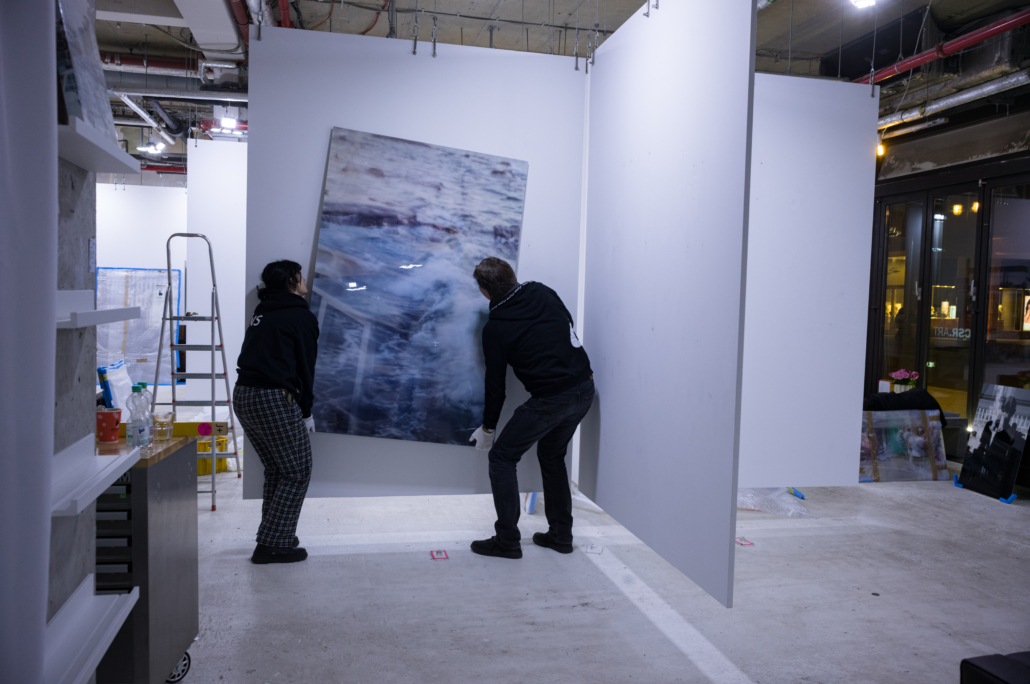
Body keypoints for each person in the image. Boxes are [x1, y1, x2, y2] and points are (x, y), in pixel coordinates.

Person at [468, 257, 594, 560]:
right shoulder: (541, 290)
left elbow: (496, 386)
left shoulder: (495, 328)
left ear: (485, 291)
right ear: (512, 276)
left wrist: (488, 429)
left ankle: (507, 541)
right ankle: (561, 536)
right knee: (552, 455)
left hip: (552, 400)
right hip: (585, 389)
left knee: (501, 458)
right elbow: (568, 327)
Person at [234, 260, 319, 564]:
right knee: (297, 471)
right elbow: (305, 369)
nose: (304, 279)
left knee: (278, 469)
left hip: (243, 394)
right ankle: (272, 546)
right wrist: (306, 411)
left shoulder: (263, 310)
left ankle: (278, 534)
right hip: (272, 397)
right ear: (293, 280)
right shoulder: (301, 316)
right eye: (300, 275)